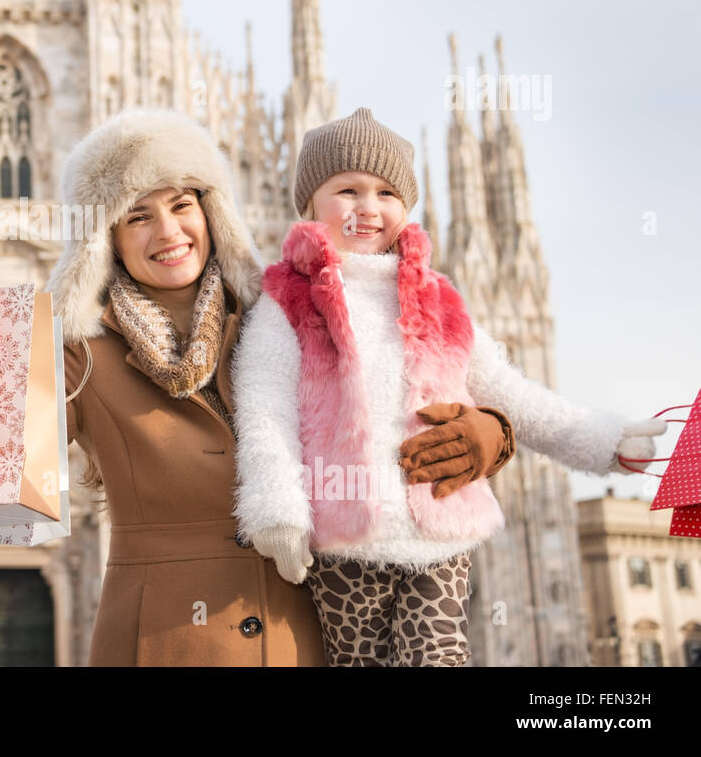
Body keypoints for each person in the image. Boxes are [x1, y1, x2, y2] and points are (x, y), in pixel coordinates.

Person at [0, 107, 515, 666]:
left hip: (304, 640)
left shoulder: (288, 322)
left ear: (211, 214)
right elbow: (1, 410)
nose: (168, 232)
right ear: (107, 240)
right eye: (137, 216)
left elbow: (407, 377)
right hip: (161, 642)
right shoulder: (85, 353)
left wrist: (495, 431)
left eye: (182, 205)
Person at [232, 106, 666, 666]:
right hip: (345, 543)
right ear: (310, 201)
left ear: (405, 209)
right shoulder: (287, 302)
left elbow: (508, 392)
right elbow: (265, 411)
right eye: (348, 189)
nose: (368, 208)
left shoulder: (434, 298)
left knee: (439, 656)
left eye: (387, 193)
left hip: (442, 532)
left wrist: (602, 439)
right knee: (354, 658)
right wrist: (276, 508)